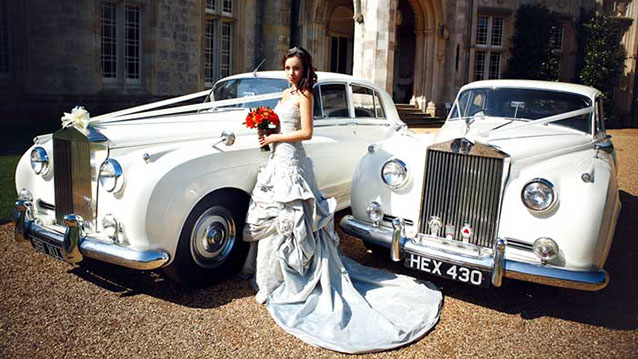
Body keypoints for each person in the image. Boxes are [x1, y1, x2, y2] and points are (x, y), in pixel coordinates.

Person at [241, 47, 442, 354]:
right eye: (288, 68)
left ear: (306, 70)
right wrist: (266, 130)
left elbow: (306, 133)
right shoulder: (284, 95)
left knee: (295, 220)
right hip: (277, 162)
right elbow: (281, 127)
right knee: (278, 221)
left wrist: (275, 138)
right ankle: (271, 279)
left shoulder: (306, 96)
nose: (291, 73)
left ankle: (295, 281)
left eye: (296, 68)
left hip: (294, 163)